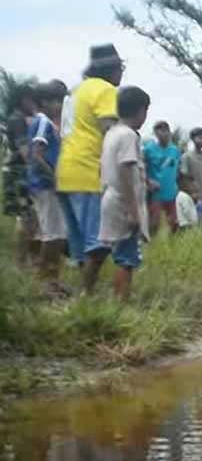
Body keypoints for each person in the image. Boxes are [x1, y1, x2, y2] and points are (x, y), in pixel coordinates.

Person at [56, 44, 123, 288]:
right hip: (89, 172)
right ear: (112, 69)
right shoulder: (105, 90)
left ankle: (83, 294)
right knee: (99, 244)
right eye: (121, 68)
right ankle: (85, 296)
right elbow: (109, 130)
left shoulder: (75, 92)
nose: (122, 73)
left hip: (66, 171)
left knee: (82, 245)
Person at [98, 86, 150, 299]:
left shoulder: (112, 133)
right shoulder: (128, 136)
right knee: (126, 258)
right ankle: (121, 301)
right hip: (122, 202)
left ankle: (121, 298)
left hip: (111, 197)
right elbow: (125, 170)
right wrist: (132, 211)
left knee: (121, 254)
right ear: (140, 111)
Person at [26, 81, 69, 295]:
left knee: (57, 234)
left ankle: (53, 280)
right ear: (44, 102)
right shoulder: (43, 122)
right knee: (52, 235)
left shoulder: (49, 123)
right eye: (56, 101)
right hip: (45, 186)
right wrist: (55, 178)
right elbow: (37, 155)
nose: (59, 106)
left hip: (48, 186)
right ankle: (44, 283)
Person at [3, 83, 38, 267]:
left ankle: (27, 261)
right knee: (25, 217)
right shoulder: (17, 120)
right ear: (24, 100)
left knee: (29, 217)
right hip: (18, 173)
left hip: (19, 172)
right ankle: (21, 262)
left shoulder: (19, 119)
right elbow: (25, 151)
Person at [144, 121, 181, 235]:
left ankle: (173, 247)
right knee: (154, 224)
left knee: (174, 223)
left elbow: (177, 169)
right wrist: (148, 181)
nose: (164, 134)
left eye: (166, 130)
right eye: (160, 130)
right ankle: (152, 246)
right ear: (155, 133)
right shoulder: (148, 150)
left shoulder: (175, 150)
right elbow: (140, 169)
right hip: (156, 193)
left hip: (171, 192)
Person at [180, 127, 202, 209]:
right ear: (193, 139)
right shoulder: (186, 157)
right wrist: (193, 192)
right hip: (193, 197)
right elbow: (185, 177)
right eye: (199, 138)